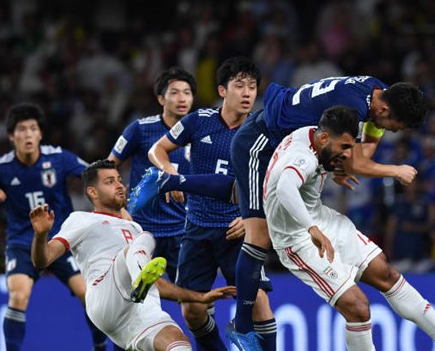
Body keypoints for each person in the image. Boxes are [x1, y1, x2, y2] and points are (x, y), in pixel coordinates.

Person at [263, 106, 435, 351]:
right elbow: (285, 187)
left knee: (386, 273)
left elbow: (307, 173)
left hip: (320, 218)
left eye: (349, 148)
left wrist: (331, 171)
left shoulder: (318, 138)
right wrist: (312, 228)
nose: (346, 155)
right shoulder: (304, 156)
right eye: (344, 148)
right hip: (297, 238)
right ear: (323, 139)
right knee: (358, 307)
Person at [229, 75, 427, 345]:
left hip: (286, 145)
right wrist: (394, 170)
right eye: (394, 126)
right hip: (261, 141)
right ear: (384, 110)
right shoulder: (355, 108)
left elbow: (359, 157)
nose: (391, 131)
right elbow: (356, 164)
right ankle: (241, 329)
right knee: (258, 236)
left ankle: (179, 183)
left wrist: (339, 164)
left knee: (241, 206)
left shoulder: (375, 88)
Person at [29, 159, 236, 351]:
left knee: (179, 342)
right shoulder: (81, 219)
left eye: (120, 180)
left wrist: (199, 297)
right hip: (106, 296)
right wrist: (41, 235)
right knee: (144, 238)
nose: (120, 185)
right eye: (110, 182)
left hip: (140, 309)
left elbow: (154, 282)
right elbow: (43, 259)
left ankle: (140, 285)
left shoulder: (133, 228)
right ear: (92, 192)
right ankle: (139, 282)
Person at [148, 56, 276, 350]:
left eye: (252, 87)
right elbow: (158, 150)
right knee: (191, 309)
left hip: (239, 232)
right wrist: (172, 174)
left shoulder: (263, 131)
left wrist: (252, 218)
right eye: (239, 85)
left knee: (257, 298)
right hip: (196, 229)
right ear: (222, 90)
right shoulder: (199, 121)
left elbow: (275, 184)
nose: (247, 93)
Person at [0, 103, 109, 350]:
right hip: (22, 242)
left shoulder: (59, 158)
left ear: (40, 134)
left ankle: (100, 347)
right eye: (21, 130)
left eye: (33, 128)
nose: (27, 134)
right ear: (11, 136)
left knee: (89, 295)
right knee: (18, 295)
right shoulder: (0, 168)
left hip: (61, 240)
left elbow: (94, 175)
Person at [109, 67, 196, 281]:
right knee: (135, 295)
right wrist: (119, 208)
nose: (182, 98)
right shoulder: (140, 129)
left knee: (193, 296)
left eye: (187, 92)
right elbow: (107, 168)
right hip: (141, 228)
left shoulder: (200, 131)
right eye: (174, 92)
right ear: (161, 99)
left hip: (184, 229)